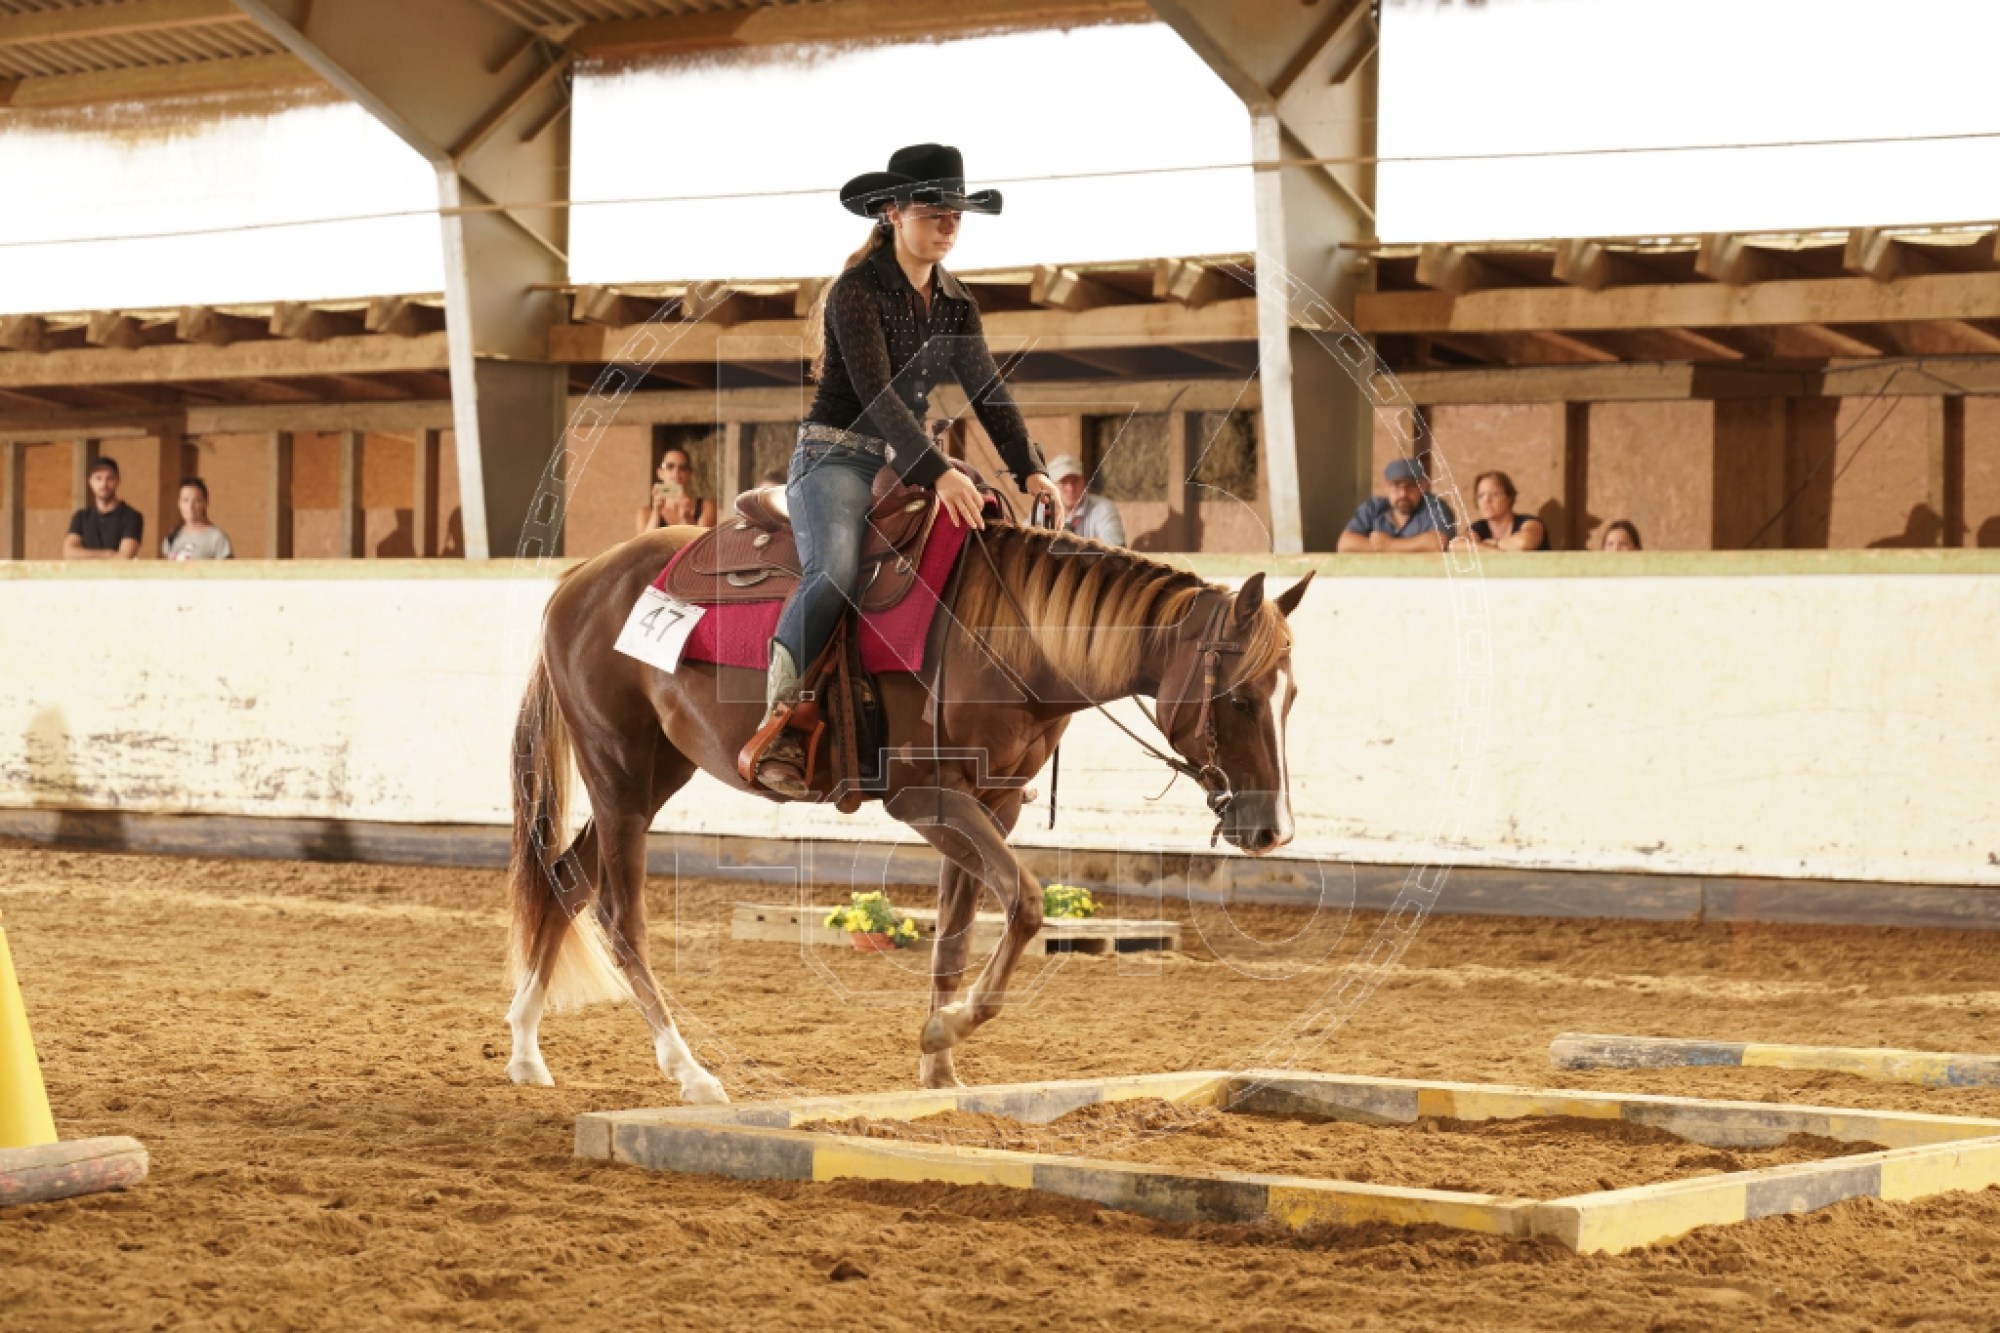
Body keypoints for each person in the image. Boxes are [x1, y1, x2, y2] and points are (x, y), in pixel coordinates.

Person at [744, 143, 1065, 798]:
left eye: (957, 214)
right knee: (833, 571)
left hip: (906, 459)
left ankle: (978, 734)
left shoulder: (956, 303)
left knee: (985, 556)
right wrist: (939, 470)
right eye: (933, 210)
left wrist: (1028, 469)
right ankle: (779, 719)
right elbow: (875, 393)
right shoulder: (855, 292)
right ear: (891, 212)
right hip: (836, 454)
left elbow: (988, 391)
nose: (948, 224)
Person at [1337, 456, 1457, 553]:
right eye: (1396, 485)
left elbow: (1438, 543)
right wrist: (1408, 546)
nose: (1403, 493)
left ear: (1423, 486)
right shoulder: (1373, 507)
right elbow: (1345, 544)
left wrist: (1389, 545)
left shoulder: (1435, 506)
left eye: (1410, 486)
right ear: (1386, 487)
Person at [63, 455, 142, 560]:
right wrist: (109, 554)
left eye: (109, 478)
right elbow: (69, 553)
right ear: (90, 482)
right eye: (98, 478)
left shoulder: (131, 517)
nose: (104, 484)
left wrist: (83, 555)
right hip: (86, 572)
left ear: (117, 481)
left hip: (115, 572)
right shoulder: (81, 517)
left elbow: (124, 558)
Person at [635, 446, 718, 534]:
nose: (676, 471)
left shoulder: (706, 507)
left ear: (689, 473)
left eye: (683, 467)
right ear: (660, 473)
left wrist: (687, 517)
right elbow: (645, 542)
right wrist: (656, 512)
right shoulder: (645, 513)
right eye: (670, 466)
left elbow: (704, 541)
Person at [1046, 453, 1124, 545]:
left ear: (1084, 481)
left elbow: (1114, 544)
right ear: (1052, 487)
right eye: (1063, 483)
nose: (1071, 489)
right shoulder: (1043, 510)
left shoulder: (1102, 507)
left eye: (1075, 481)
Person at [1467, 471, 1549, 551]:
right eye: (1481, 496)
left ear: (1509, 498)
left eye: (1495, 494)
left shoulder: (1531, 522)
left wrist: (1492, 544)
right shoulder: (1478, 527)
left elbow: (1524, 543)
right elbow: (1460, 545)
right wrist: (1495, 550)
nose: (1486, 500)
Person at [161, 477, 233, 560]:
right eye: (185, 500)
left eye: (196, 501)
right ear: (179, 503)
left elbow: (226, 567)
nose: (190, 506)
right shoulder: (172, 536)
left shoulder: (217, 537)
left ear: (205, 503)